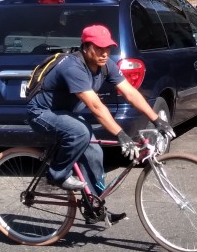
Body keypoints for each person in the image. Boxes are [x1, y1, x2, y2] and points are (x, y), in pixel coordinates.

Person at [27, 25, 175, 208]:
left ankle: (94, 206)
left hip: (65, 114)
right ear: (86, 47)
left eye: (108, 48)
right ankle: (57, 174)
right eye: (99, 48)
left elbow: (130, 93)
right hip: (41, 113)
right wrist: (121, 135)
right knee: (80, 132)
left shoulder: (106, 65)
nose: (105, 53)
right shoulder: (73, 67)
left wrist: (157, 120)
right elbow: (96, 107)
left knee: (95, 153)